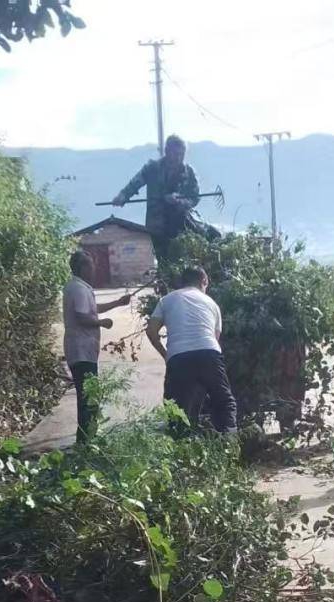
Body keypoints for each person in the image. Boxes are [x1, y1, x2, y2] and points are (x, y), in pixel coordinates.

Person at [145, 266, 237, 433]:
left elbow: (151, 331)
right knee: (224, 402)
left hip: (178, 357)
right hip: (209, 353)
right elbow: (214, 338)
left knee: (177, 409)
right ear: (204, 281)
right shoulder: (212, 303)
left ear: (182, 282)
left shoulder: (167, 300)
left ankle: (181, 443)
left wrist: (166, 355)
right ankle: (229, 442)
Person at [62, 251, 131, 443]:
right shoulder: (78, 289)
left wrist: (118, 302)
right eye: (90, 265)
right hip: (81, 350)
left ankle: (86, 439)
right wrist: (102, 323)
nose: (94, 268)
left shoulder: (78, 287)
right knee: (88, 397)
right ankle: (86, 441)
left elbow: (92, 308)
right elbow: (83, 317)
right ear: (82, 267)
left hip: (82, 350)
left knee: (88, 396)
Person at [112, 135, 201, 263]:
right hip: (157, 223)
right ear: (167, 151)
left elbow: (195, 197)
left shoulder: (189, 172)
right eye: (175, 154)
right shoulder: (152, 168)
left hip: (180, 225)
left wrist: (181, 202)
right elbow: (135, 183)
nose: (178, 158)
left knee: (180, 259)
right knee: (162, 258)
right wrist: (123, 196)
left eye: (181, 154)